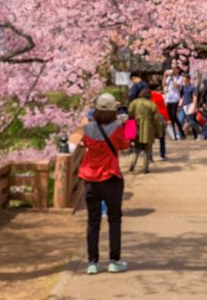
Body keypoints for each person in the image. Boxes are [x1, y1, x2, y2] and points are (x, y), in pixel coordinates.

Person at [79, 92, 130, 275]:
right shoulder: (117, 128)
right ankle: (114, 260)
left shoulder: (87, 129)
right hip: (110, 177)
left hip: (90, 179)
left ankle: (92, 262)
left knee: (93, 221)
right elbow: (125, 145)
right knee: (114, 219)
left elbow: (83, 143)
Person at [127, 87, 162, 174]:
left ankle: (132, 164)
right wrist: (159, 132)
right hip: (148, 128)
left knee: (136, 147)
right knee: (147, 148)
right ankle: (145, 168)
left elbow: (130, 113)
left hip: (136, 127)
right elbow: (157, 119)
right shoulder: (152, 104)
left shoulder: (134, 102)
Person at [149, 82, 170, 161]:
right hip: (160, 118)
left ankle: (150, 157)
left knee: (150, 138)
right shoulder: (159, 96)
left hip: (151, 118)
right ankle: (162, 155)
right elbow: (163, 108)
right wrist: (167, 119)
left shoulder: (148, 96)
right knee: (162, 137)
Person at [164, 69, 185, 140]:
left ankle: (181, 132)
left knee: (174, 116)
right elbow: (164, 84)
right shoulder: (169, 78)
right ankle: (174, 135)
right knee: (170, 118)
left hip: (175, 99)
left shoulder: (180, 78)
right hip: (169, 99)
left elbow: (176, 86)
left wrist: (172, 79)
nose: (173, 71)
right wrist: (165, 76)